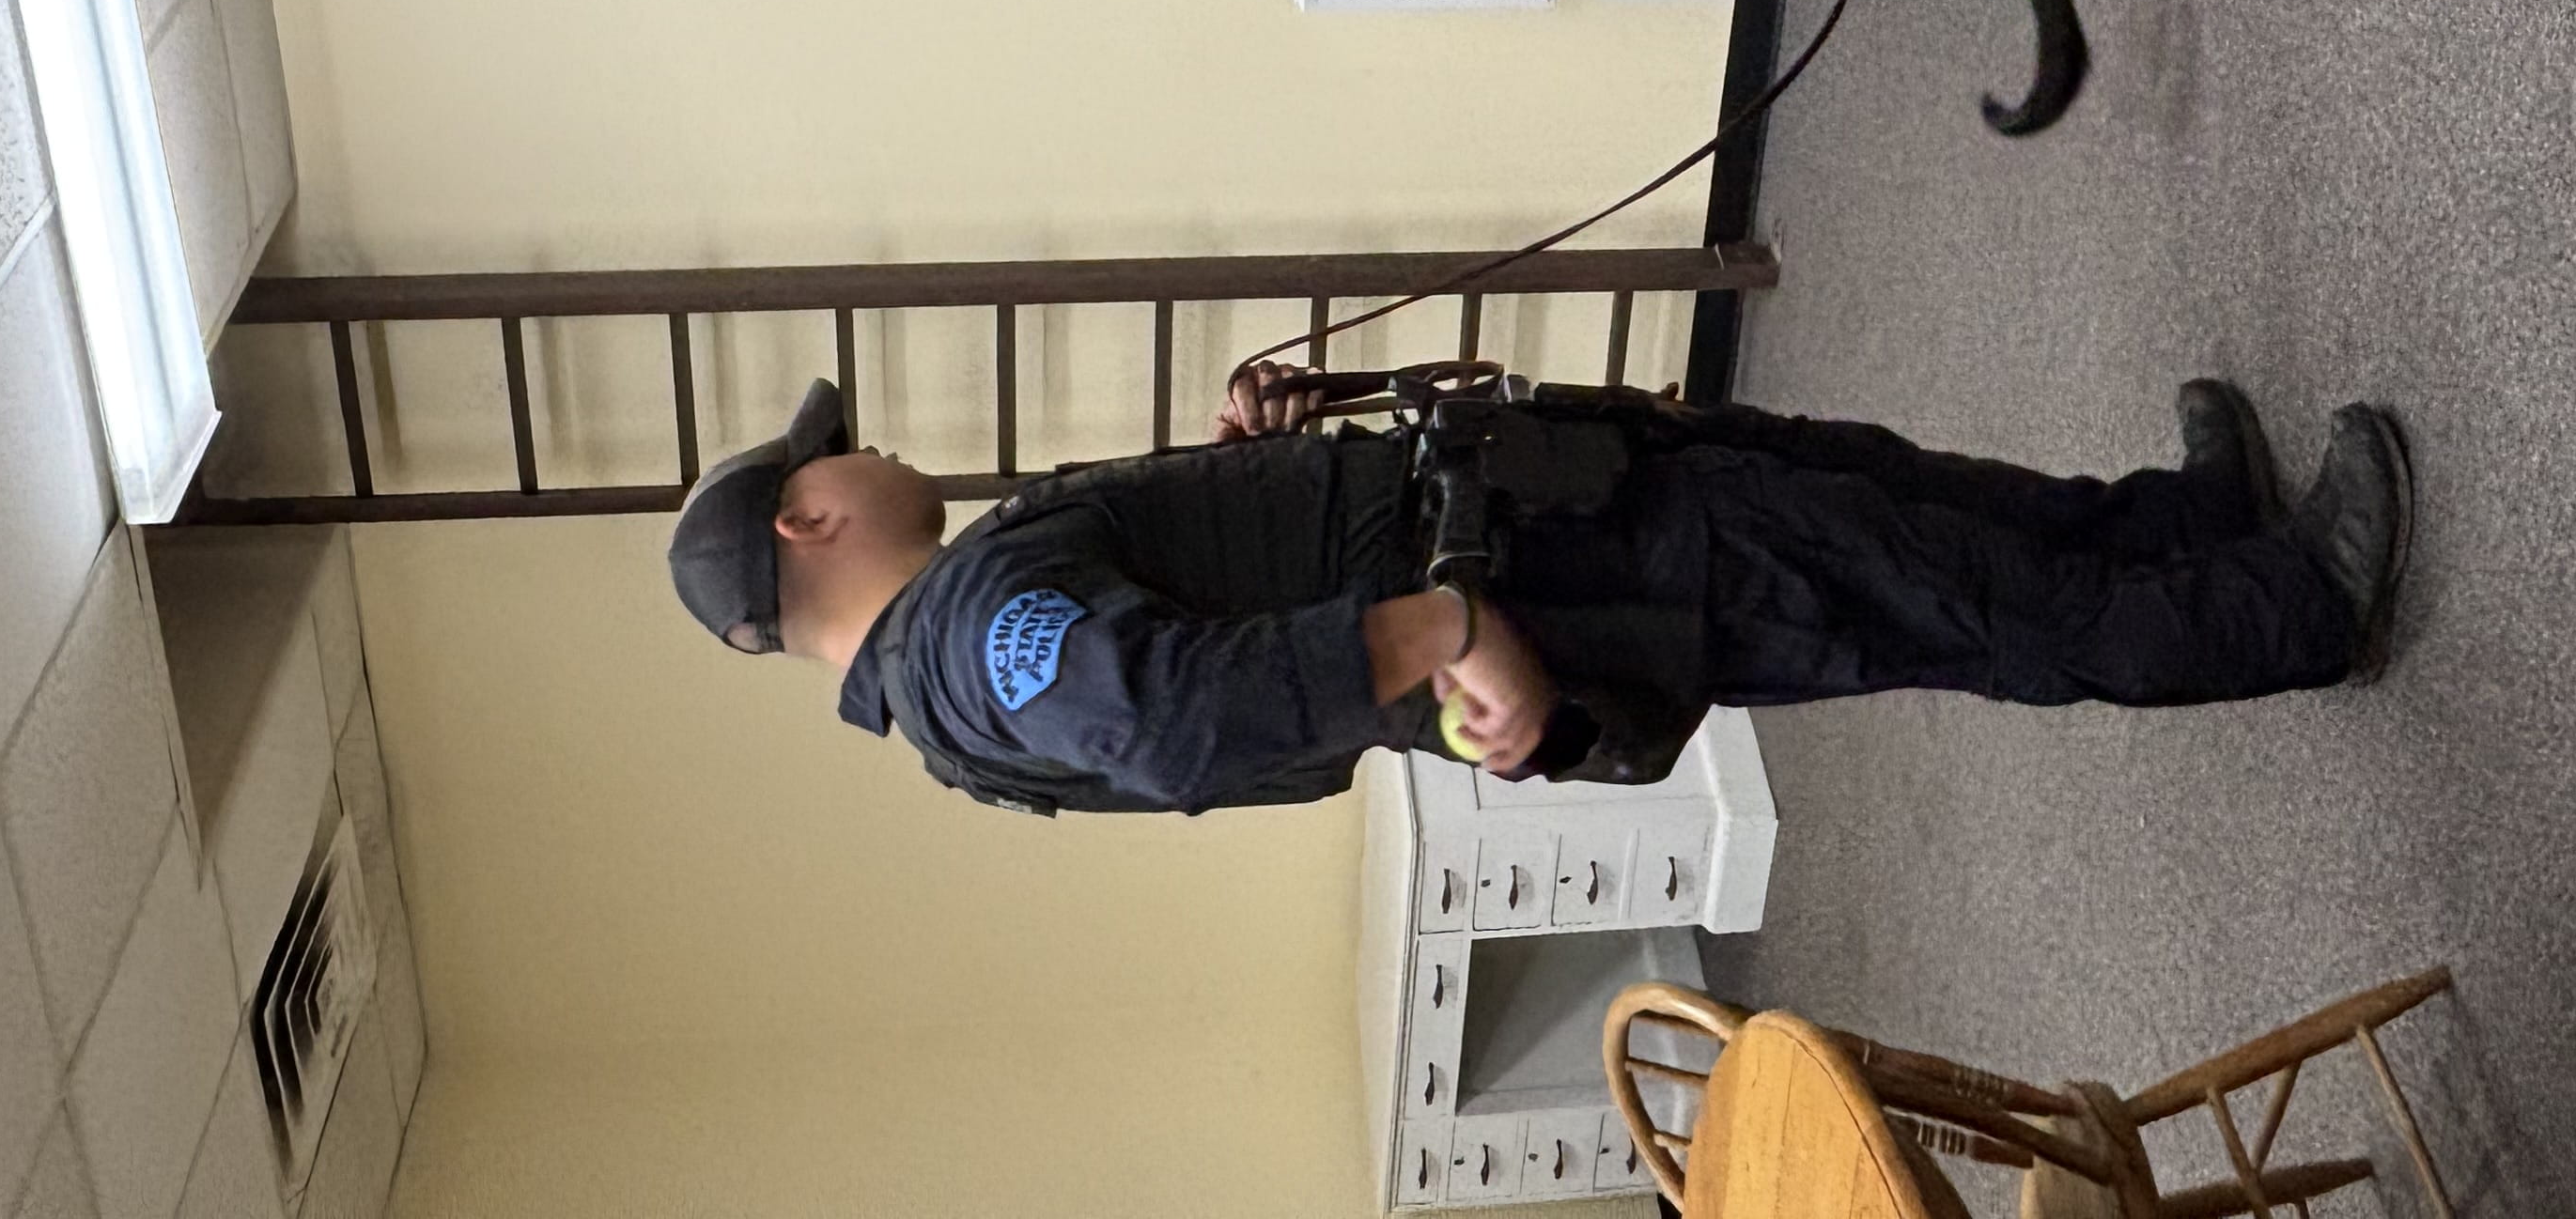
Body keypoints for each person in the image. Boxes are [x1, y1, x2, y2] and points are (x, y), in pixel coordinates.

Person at [663, 362, 2411, 817]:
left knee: (1899, 497)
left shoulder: (971, 627)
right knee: (1937, 587)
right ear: (809, 526)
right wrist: (1433, 625)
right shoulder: (979, 641)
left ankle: (2191, 523)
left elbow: (1196, 627)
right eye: (836, 459)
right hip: (1585, 581)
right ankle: (2283, 614)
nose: (861, 456)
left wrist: (1244, 463)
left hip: (1561, 514)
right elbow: (1186, 720)